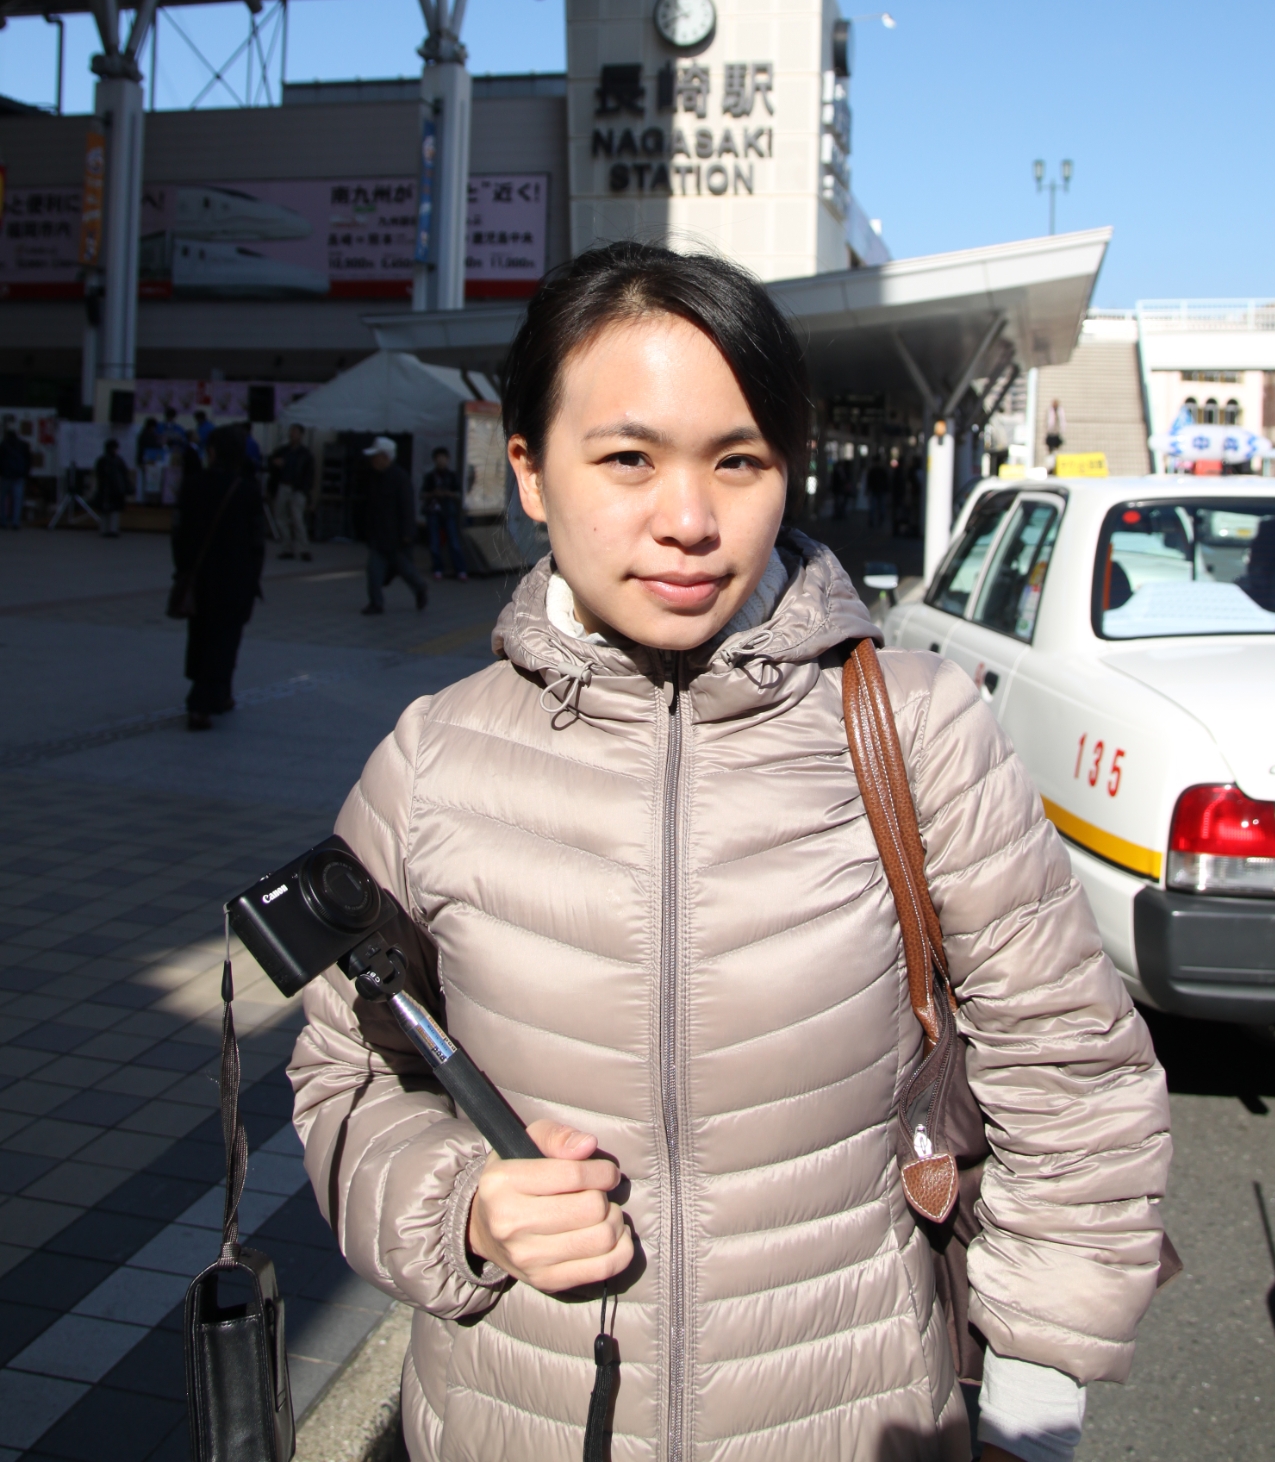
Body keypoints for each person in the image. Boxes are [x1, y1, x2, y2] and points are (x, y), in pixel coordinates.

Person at [290, 241, 1171, 1462]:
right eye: (628, 458)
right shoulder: (432, 759)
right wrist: (463, 1205)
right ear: (530, 471)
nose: (691, 521)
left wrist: (1030, 1404)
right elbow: (346, 1073)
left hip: (860, 1419)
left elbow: (1069, 1071)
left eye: (738, 460)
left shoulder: (917, 727)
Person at [171, 424, 265, 730]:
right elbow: (257, 542)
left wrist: (183, 569)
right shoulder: (248, 490)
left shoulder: (192, 485)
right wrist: (253, 579)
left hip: (199, 577)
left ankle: (217, 691)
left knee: (200, 635)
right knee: (226, 639)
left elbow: (179, 534)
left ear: (211, 452)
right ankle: (204, 700)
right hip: (235, 579)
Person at [361, 437, 427, 615]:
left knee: (406, 570)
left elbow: (407, 508)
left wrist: (407, 534)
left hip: (396, 537)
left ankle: (420, 588)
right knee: (373, 570)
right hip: (378, 534)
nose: (373, 460)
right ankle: (376, 603)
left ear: (385, 457)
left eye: (376, 456)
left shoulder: (400, 478)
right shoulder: (373, 476)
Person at [420, 446, 468, 580]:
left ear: (447, 459)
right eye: (438, 458)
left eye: (443, 458)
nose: (441, 461)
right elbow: (422, 494)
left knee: (454, 542)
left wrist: (448, 493)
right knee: (434, 542)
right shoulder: (430, 476)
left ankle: (460, 569)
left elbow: (459, 494)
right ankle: (437, 568)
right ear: (435, 460)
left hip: (448, 511)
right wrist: (433, 493)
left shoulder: (452, 476)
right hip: (433, 511)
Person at [269, 424, 315, 561]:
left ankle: (304, 548)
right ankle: (287, 547)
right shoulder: (283, 451)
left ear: (301, 435)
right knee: (280, 517)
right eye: (291, 432)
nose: (292, 434)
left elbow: (309, 474)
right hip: (283, 485)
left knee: (297, 519)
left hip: (297, 488)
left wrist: (305, 490)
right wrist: (274, 463)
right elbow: (270, 462)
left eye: (295, 432)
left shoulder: (305, 454)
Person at [93, 437, 133, 537]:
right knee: (113, 511)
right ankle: (112, 529)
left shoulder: (103, 460)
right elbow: (124, 474)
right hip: (115, 489)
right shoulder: (118, 460)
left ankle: (105, 529)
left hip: (107, 489)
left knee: (106, 511)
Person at [0, 415, 31, 531]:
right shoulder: (23, 445)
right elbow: (28, 460)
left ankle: (3, 520)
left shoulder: (3, 445)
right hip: (19, 476)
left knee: (2, 499)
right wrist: (25, 474)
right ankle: (15, 522)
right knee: (17, 499)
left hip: (5, 476)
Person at [866, 455, 890, 532]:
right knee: (880, 506)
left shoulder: (873, 470)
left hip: (876, 490)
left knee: (874, 506)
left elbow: (869, 481)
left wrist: (868, 489)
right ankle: (879, 520)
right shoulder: (881, 470)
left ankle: (874, 520)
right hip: (880, 490)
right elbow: (886, 481)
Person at [1045, 398, 1066, 471]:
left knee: (1057, 450)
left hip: (1057, 433)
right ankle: (1050, 466)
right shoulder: (1049, 410)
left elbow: (1062, 421)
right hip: (1050, 433)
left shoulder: (1060, 411)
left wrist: (1061, 430)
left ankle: (1056, 465)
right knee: (1050, 450)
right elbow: (1048, 422)